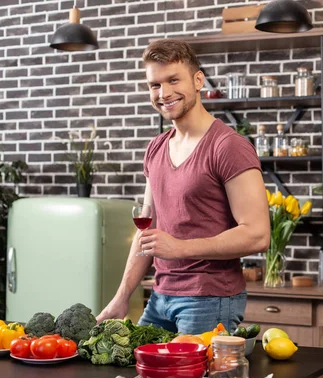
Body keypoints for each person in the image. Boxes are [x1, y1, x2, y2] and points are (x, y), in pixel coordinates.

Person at [96, 40, 270, 335]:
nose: (164, 93)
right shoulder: (155, 148)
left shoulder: (228, 147)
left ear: (198, 80)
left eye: (173, 80)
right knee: (138, 377)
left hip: (209, 299)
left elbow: (257, 235)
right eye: (154, 85)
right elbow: (146, 232)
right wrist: (122, 296)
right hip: (160, 298)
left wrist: (179, 248)